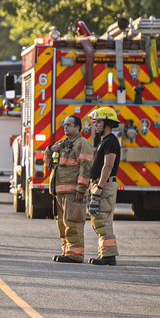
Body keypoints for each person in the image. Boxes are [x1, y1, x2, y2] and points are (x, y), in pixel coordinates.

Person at [49, 115, 94, 263]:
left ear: (77, 127)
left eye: (69, 125)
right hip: (60, 193)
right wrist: (51, 149)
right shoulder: (62, 144)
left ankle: (75, 254)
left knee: (73, 223)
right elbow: (46, 158)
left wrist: (81, 189)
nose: (65, 127)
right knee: (62, 224)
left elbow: (86, 168)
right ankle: (67, 251)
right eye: (64, 125)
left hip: (73, 193)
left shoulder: (82, 144)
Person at [86, 106, 121, 265]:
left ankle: (108, 256)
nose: (95, 125)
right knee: (98, 220)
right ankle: (105, 254)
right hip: (101, 185)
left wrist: (99, 188)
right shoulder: (105, 141)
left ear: (106, 123)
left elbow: (108, 166)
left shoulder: (111, 142)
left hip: (105, 186)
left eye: (98, 122)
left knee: (103, 220)